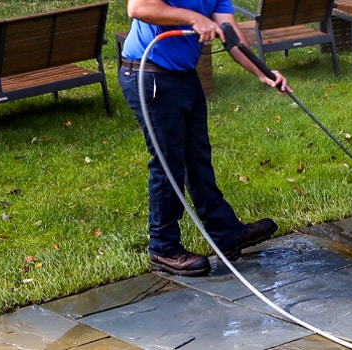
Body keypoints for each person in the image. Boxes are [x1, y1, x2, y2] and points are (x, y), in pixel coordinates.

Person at [123, 0, 291, 276]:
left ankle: (225, 233)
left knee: (197, 157)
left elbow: (229, 31)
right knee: (169, 163)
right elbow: (138, 7)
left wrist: (265, 73)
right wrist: (192, 17)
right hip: (149, 73)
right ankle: (163, 248)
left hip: (184, 76)